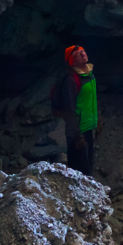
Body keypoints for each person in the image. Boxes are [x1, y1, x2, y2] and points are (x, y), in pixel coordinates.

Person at [51, 44, 98, 177]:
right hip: (77, 132)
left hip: (88, 127)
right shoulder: (71, 81)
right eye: (79, 54)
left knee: (88, 166)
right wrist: (77, 137)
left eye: (83, 51)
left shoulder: (89, 75)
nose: (83, 54)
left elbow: (90, 101)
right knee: (80, 172)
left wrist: (97, 122)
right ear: (72, 60)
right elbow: (69, 111)